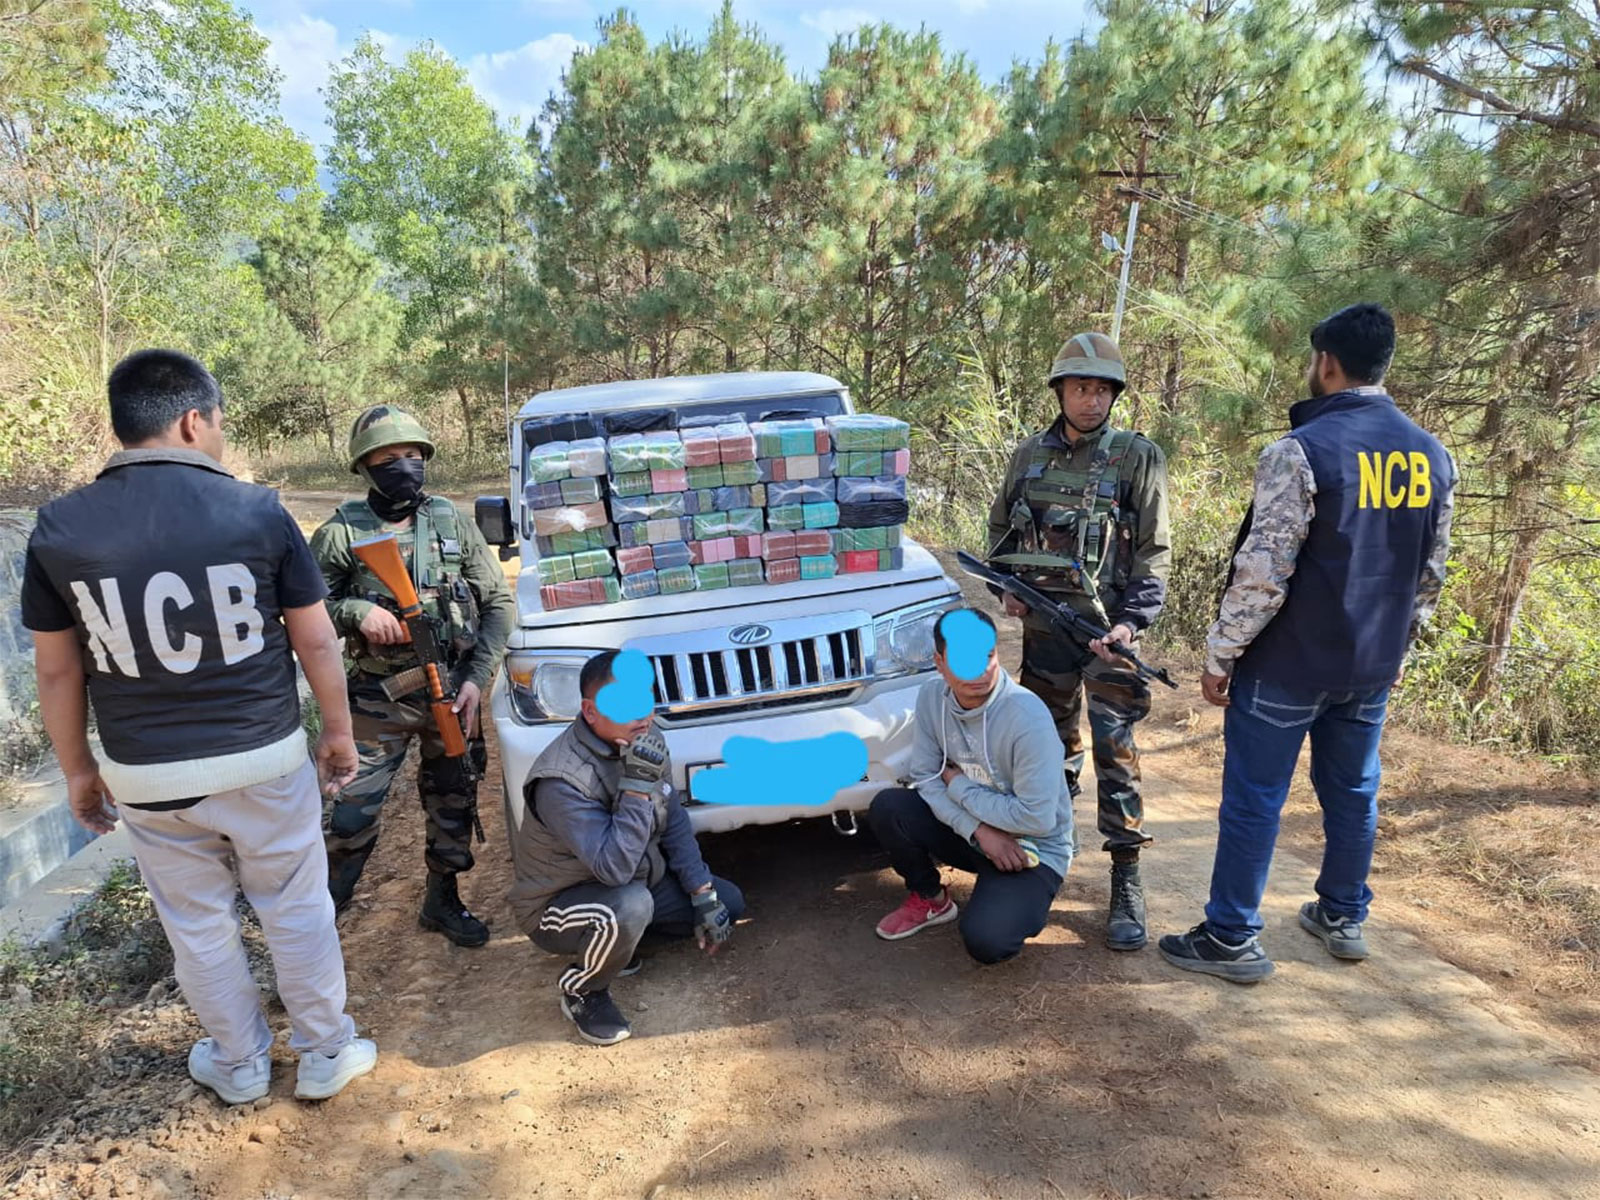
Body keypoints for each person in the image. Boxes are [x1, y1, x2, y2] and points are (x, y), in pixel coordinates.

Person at [21, 349, 376, 1104]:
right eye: (217, 422)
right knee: (294, 907)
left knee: (197, 923)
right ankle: (325, 1052)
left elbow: (57, 672)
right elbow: (315, 639)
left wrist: (82, 772)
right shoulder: (256, 511)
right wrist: (337, 731)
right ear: (192, 420)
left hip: (147, 776)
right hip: (263, 759)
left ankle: (240, 1063)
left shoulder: (58, 528)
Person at [1159, 303, 1456, 983]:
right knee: (1353, 790)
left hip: (1289, 665)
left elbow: (1264, 570)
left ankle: (1231, 935)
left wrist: (1221, 654)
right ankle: (1344, 914)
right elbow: (1430, 573)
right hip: (1371, 665)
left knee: (1256, 797)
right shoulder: (1434, 456)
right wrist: (1399, 652)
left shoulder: (1301, 451)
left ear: (1325, 362)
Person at [986, 332, 1170, 951]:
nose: (1091, 400)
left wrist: (1131, 624)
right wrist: (1006, 589)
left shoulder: (1136, 457)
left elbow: (1153, 551)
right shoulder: (1029, 454)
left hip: (1108, 634)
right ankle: (1042, 858)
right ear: (1060, 391)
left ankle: (1125, 879)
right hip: (1045, 631)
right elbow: (1000, 533)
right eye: (1080, 387)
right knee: (1046, 750)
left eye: (1101, 389)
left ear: (1113, 395)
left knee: (1116, 753)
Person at [309, 406, 514, 946]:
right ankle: (318, 932)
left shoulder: (450, 520)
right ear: (365, 468)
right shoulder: (340, 534)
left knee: (454, 798)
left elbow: (496, 603)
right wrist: (356, 612)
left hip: (450, 689)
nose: (405, 467)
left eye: (413, 456)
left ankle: (442, 901)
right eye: (389, 459)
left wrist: (477, 678)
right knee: (352, 816)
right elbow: (301, 608)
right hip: (377, 697)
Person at [508, 650, 744, 1046]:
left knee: (729, 902)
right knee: (630, 906)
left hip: (635, 882)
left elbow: (674, 820)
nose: (643, 716)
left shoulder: (646, 739)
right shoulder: (561, 780)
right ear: (589, 711)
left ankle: (618, 946)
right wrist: (635, 786)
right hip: (557, 907)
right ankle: (583, 990)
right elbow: (612, 869)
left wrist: (702, 894)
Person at [867, 608, 1074, 964]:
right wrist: (979, 831)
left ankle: (1016, 900)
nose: (979, 670)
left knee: (987, 942)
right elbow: (928, 777)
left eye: (988, 656)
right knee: (890, 807)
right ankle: (931, 899)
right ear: (940, 663)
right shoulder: (932, 698)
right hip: (976, 834)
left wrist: (959, 784)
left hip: (1030, 849)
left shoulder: (1027, 717)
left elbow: (1037, 820)